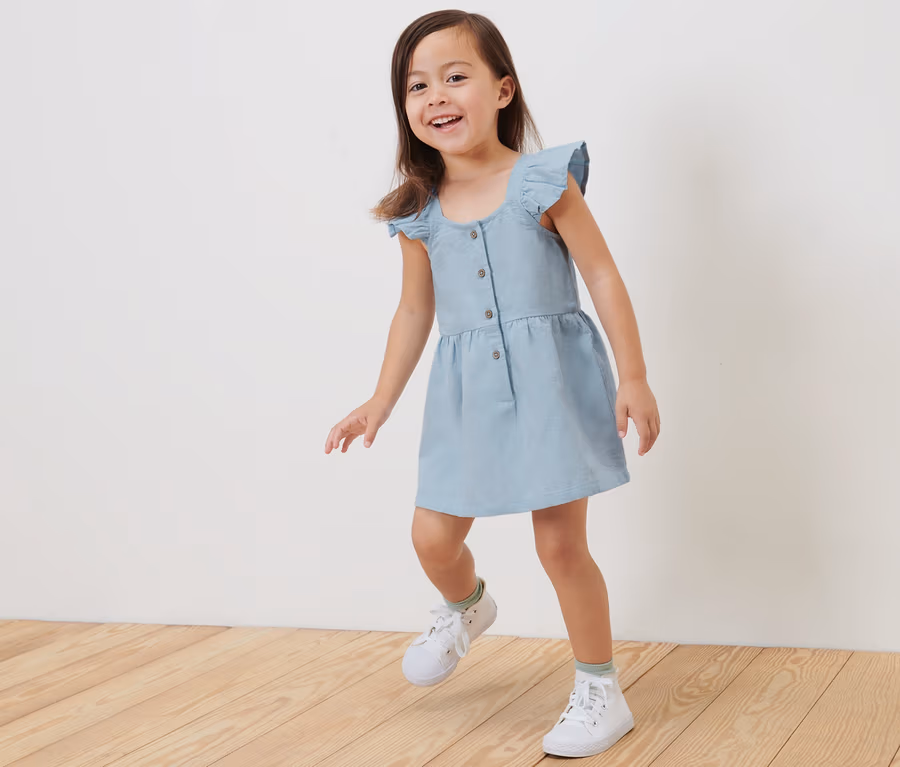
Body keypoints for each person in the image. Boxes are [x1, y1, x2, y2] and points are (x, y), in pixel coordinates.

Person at [324, 9, 660, 759]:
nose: (435, 96)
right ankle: (466, 604)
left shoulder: (543, 180)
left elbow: (602, 274)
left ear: (503, 89)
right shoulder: (418, 208)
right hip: (466, 393)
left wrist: (633, 375)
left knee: (560, 545)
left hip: (551, 384)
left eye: (455, 76)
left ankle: (600, 689)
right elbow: (415, 310)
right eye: (417, 85)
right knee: (432, 535)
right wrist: (380, 400)